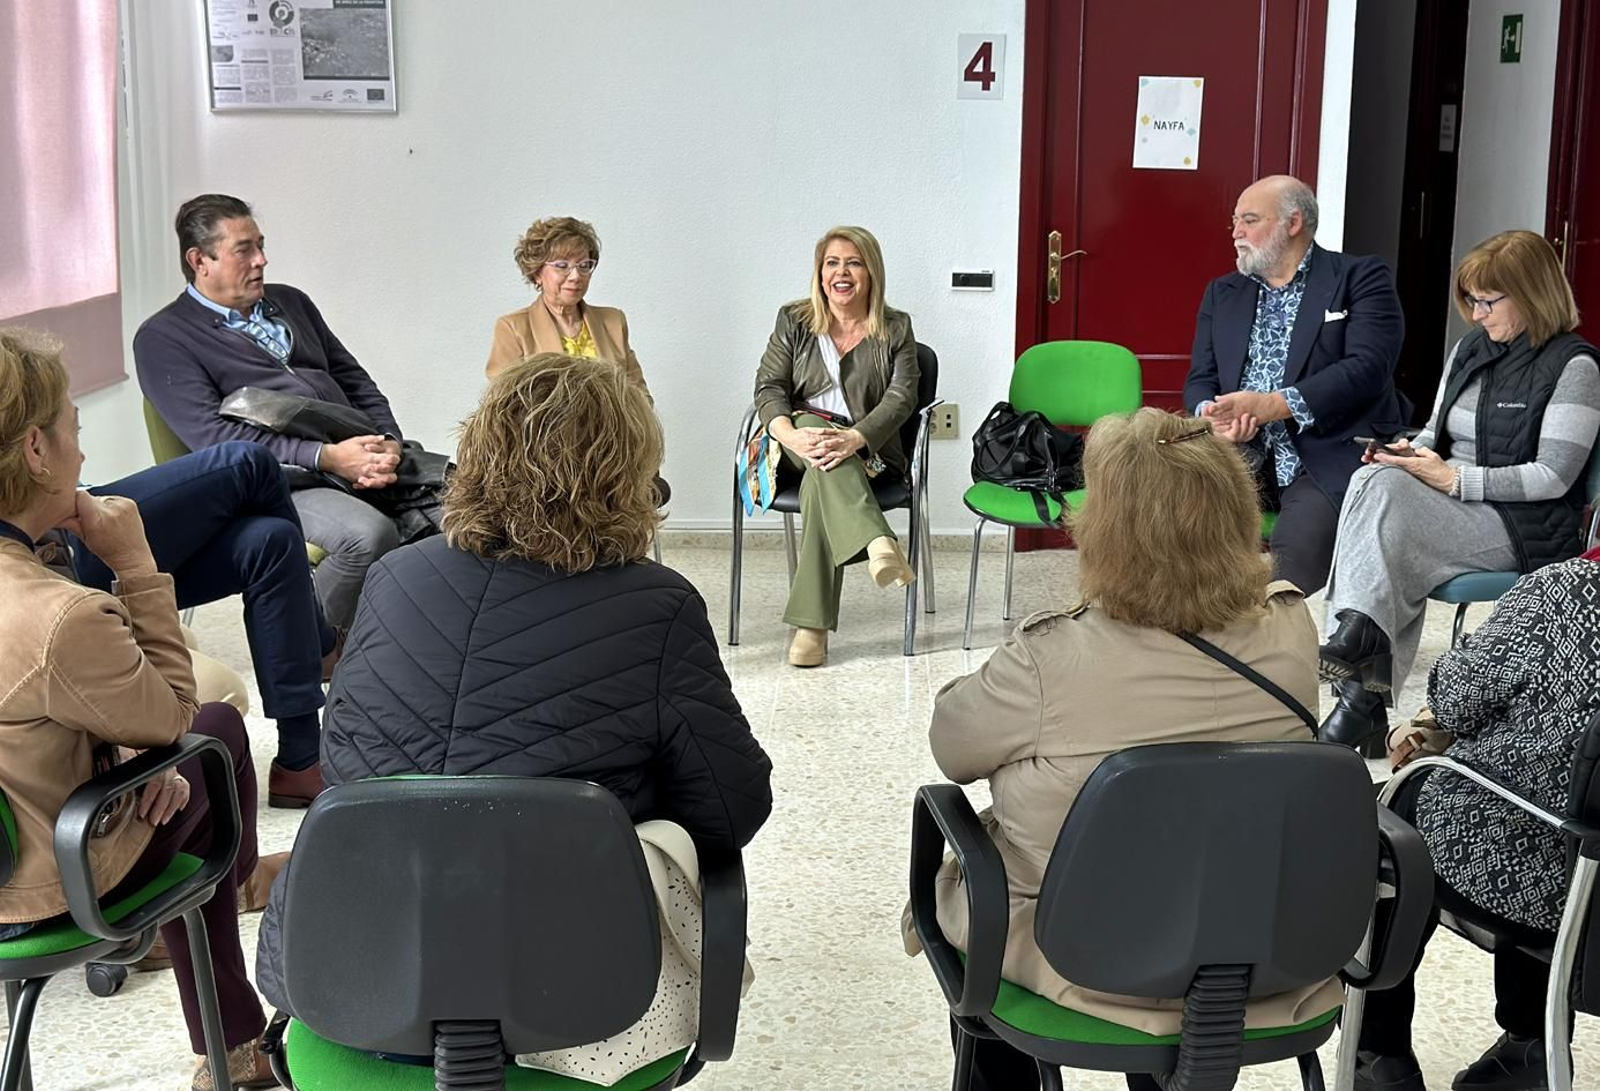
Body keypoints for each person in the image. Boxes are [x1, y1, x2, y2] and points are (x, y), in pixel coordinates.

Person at [255, 353, 772, 1078]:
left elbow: (347, 769)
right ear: (628, 475)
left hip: (353, 980)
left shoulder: (393, 576)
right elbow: (731, 807)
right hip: (576, 1005)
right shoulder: (659, 605)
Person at [907, 408, 1338, 1091]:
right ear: (1235, 511)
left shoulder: (1050, 656)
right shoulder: (1290, 628)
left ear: (1103, 528)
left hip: (1084, 959)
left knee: (974, 876)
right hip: (1265, 955)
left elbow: (950, 748)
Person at [0, 329, 279, 1091]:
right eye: (74, 430)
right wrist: (134, 563)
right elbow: (173, 713)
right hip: (50, 878)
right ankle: (232, 1042)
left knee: (171, 757)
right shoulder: (60, 617)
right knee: (212, 738)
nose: (83, 455)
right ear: (34, 449)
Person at [1319, 230, 1600, 748]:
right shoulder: (1471, 348)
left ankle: (1359, 675)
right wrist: (1406, 454)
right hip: (1450, 502)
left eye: (1487, 302)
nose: (1475, 314)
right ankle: (1362, 678)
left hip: (1521, 522)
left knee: (1387, 519)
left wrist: (1455, 479)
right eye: (1470, 301)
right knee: (1374, 479)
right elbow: (1433, 433)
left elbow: (1553, 477)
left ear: (1532, 295)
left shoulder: (1575, 367)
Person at [1352, 549, 1600, 1091]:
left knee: (1399, 810)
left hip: (1547, 879)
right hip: (1595, 900)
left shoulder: (1566, 592)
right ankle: (1528, 1046)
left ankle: (1378, 1051)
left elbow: (1458, 699)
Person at [134, 193, 409, 630]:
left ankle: (392, 645)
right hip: (274, 481)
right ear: (199, 260)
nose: (261, 260)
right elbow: (215, 440)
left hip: (356, 454)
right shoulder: (163, 338)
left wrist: (387, 441)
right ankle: (314, 653)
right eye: (244, 249)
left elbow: (356, 380)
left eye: (260, 245)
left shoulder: (292, 302)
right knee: (368, 536)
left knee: (464, 515)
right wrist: (327, 457)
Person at [1185, 175, 1408, 600]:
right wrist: (1210, 416)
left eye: (1249, 220)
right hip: (1238, 453)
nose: (1236, 233)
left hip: (1327, 451)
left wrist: (1273, 405)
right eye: (1234, 221)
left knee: (1291, 570)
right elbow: (1201, 378)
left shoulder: (1360, 278)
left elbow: (1368, 368)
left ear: (1293, 222)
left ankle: (1269, 659)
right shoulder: (1223, 293)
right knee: (1179, 534)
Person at [753, 225, 919, 667]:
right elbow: (769, 387)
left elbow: (902, 398)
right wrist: (789, 434)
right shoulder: (794, 320)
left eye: (853, 262)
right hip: (794, 444)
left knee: (820, 483)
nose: (841, 273)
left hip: (870, 450)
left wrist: (855, 437)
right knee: (814, 432)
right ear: (819, 271)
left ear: (871, 272)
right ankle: (877, 540)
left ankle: (811, 629)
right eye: (832, 263)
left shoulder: (896, 327)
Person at [484, 216, 646, 389]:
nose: (576, 276)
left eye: (584, 265)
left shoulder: (614, 321)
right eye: (562, 265)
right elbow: (504, 406)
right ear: (537, 272)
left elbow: (641, 397)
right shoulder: (513, 328)